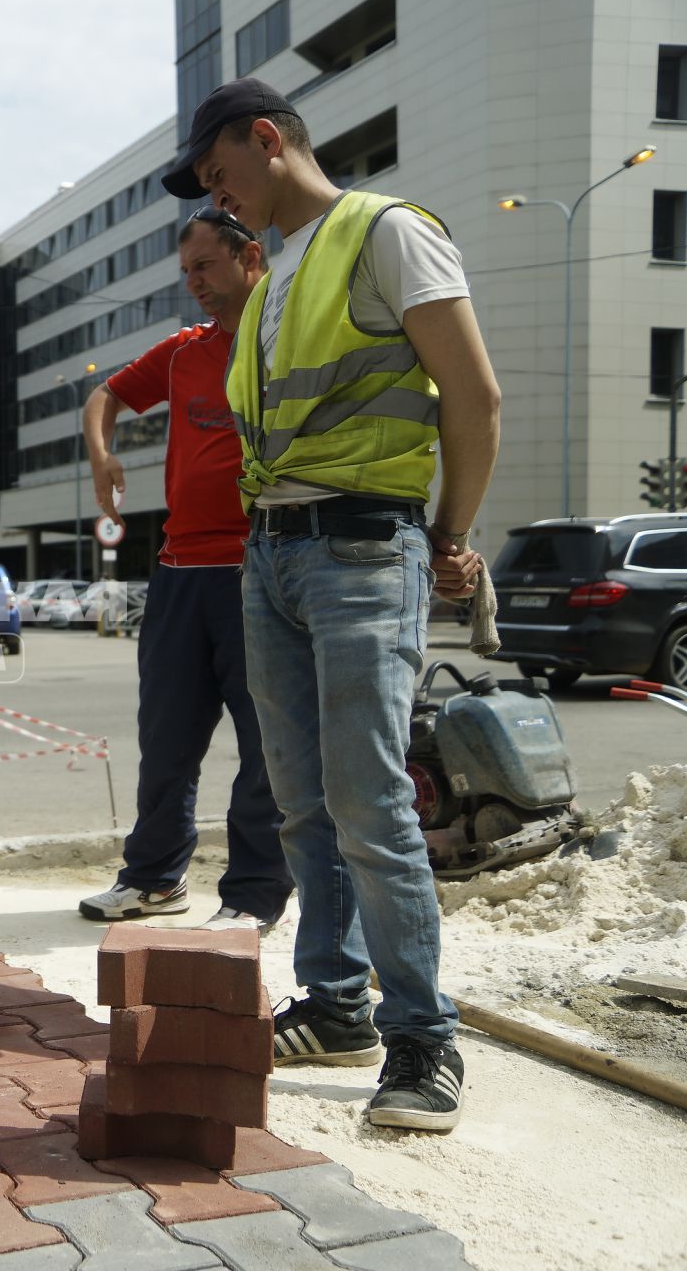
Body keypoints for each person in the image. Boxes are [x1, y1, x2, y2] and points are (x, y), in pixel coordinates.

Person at [165, 78, 500, 1132]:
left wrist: (444, 532)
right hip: (269, 559)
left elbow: (474, 395)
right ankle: (336, 1000)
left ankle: (420, 1039)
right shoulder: (267, 285)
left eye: (221, 176)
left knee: (367, 799)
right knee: (301, 798)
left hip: (360, 546)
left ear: (267, 140)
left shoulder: (384, 232)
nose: (220, 201)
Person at [77, 208, 291, 935]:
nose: (194, 283)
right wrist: (103, 454)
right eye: (187, 272)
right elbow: (103, 395)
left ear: (249, 255)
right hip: (178, 573)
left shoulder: (286, 339)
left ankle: (256, 892)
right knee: (166, 738)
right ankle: (154, 879)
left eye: (204, 267)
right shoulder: (182, 352)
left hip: (256, 570)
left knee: (265, 746)